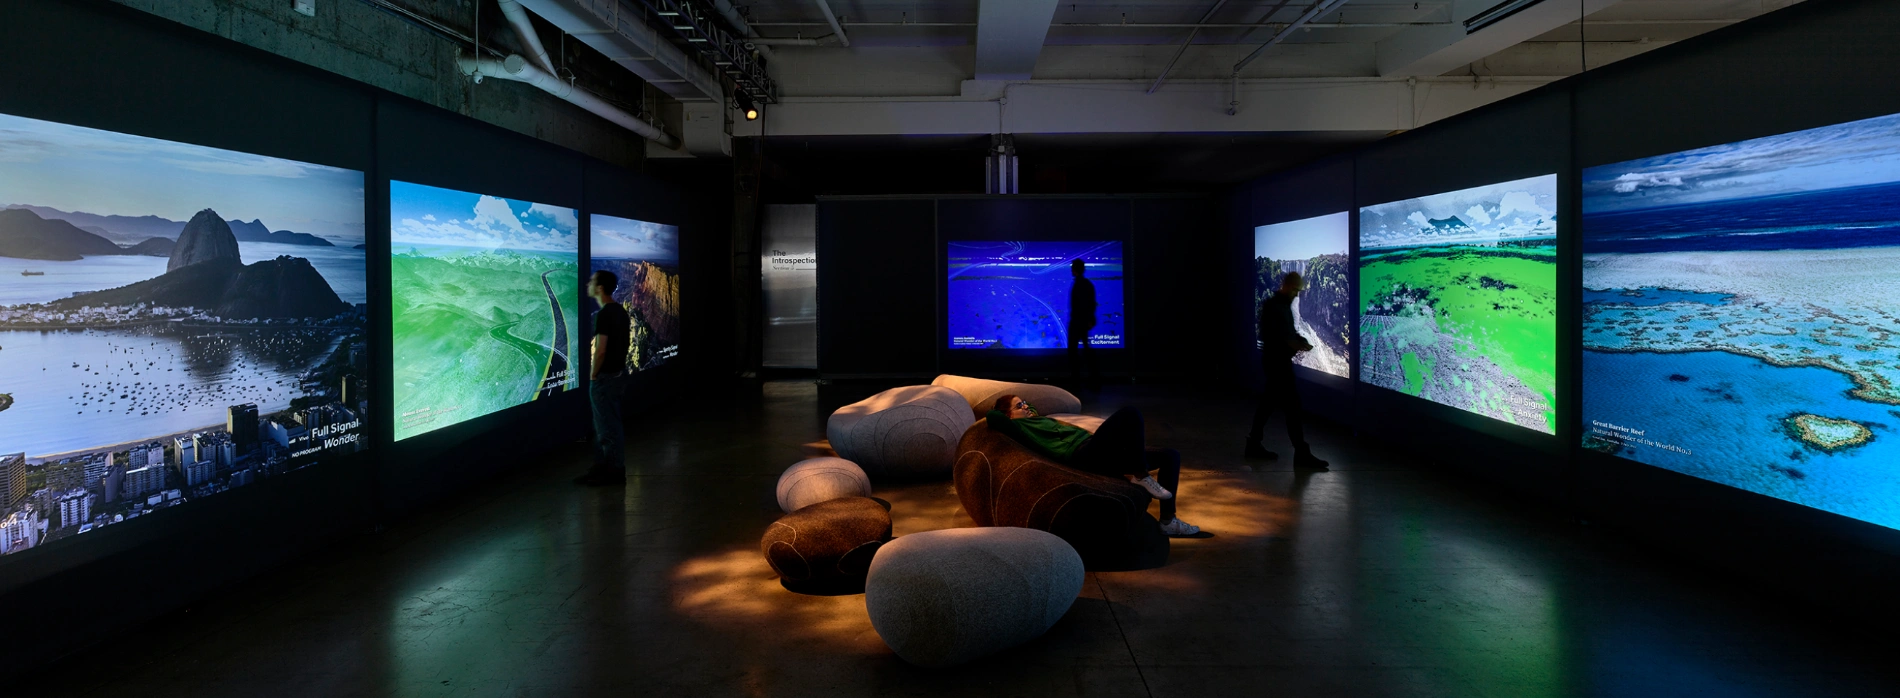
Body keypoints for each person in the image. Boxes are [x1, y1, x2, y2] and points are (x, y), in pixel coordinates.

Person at [987, 394, 1201, 536]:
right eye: (1019, 406)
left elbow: (1030, 407)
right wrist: (1006, 410)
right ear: (1009, 415)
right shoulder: (1020, 427)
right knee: (1129, 414)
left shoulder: (1035, 418)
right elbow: (993, 416)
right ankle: (1141, 475)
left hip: (1095, 447)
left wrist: (1023, 405)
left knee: (1170, 455)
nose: (1026, 406)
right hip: (1083, 454)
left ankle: (1168, 521)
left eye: (1025, 403)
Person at [1247, 271, 1329, 469]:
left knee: (1268, 404)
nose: (1297, 294)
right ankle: (1301, 453)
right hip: (1278, 364)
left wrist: (1298, 340)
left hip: (1276, 362)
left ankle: (1254, 444)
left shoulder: (1279, 305)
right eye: (1295, 290)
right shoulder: (1276, 306)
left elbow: (1286, 333)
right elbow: (1282, 336)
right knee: (1292, 408)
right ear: (1287, 286)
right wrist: (1298, 344)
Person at [576, 270, 632, 486]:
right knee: (604, 423)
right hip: (618, 376)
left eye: (591, 281)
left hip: (605, 378)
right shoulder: (620, 311)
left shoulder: (605, 314)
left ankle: (614, 471)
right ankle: (602, 467)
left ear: (600, 288)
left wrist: (593, 374)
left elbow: (600, 350)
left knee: (607, 426)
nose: (588, 284)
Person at [1066, 258, 1100, 388]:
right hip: (1083, 322)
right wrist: (1090, 320)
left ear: (1075, 269)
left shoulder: (1079, 284)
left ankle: (1076, 380)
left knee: (1074, 351)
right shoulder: (1087, 284)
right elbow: (1091, 304)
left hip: (1077, 322)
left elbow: (1081, 305)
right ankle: (1093, 378)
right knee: (1085, 349)